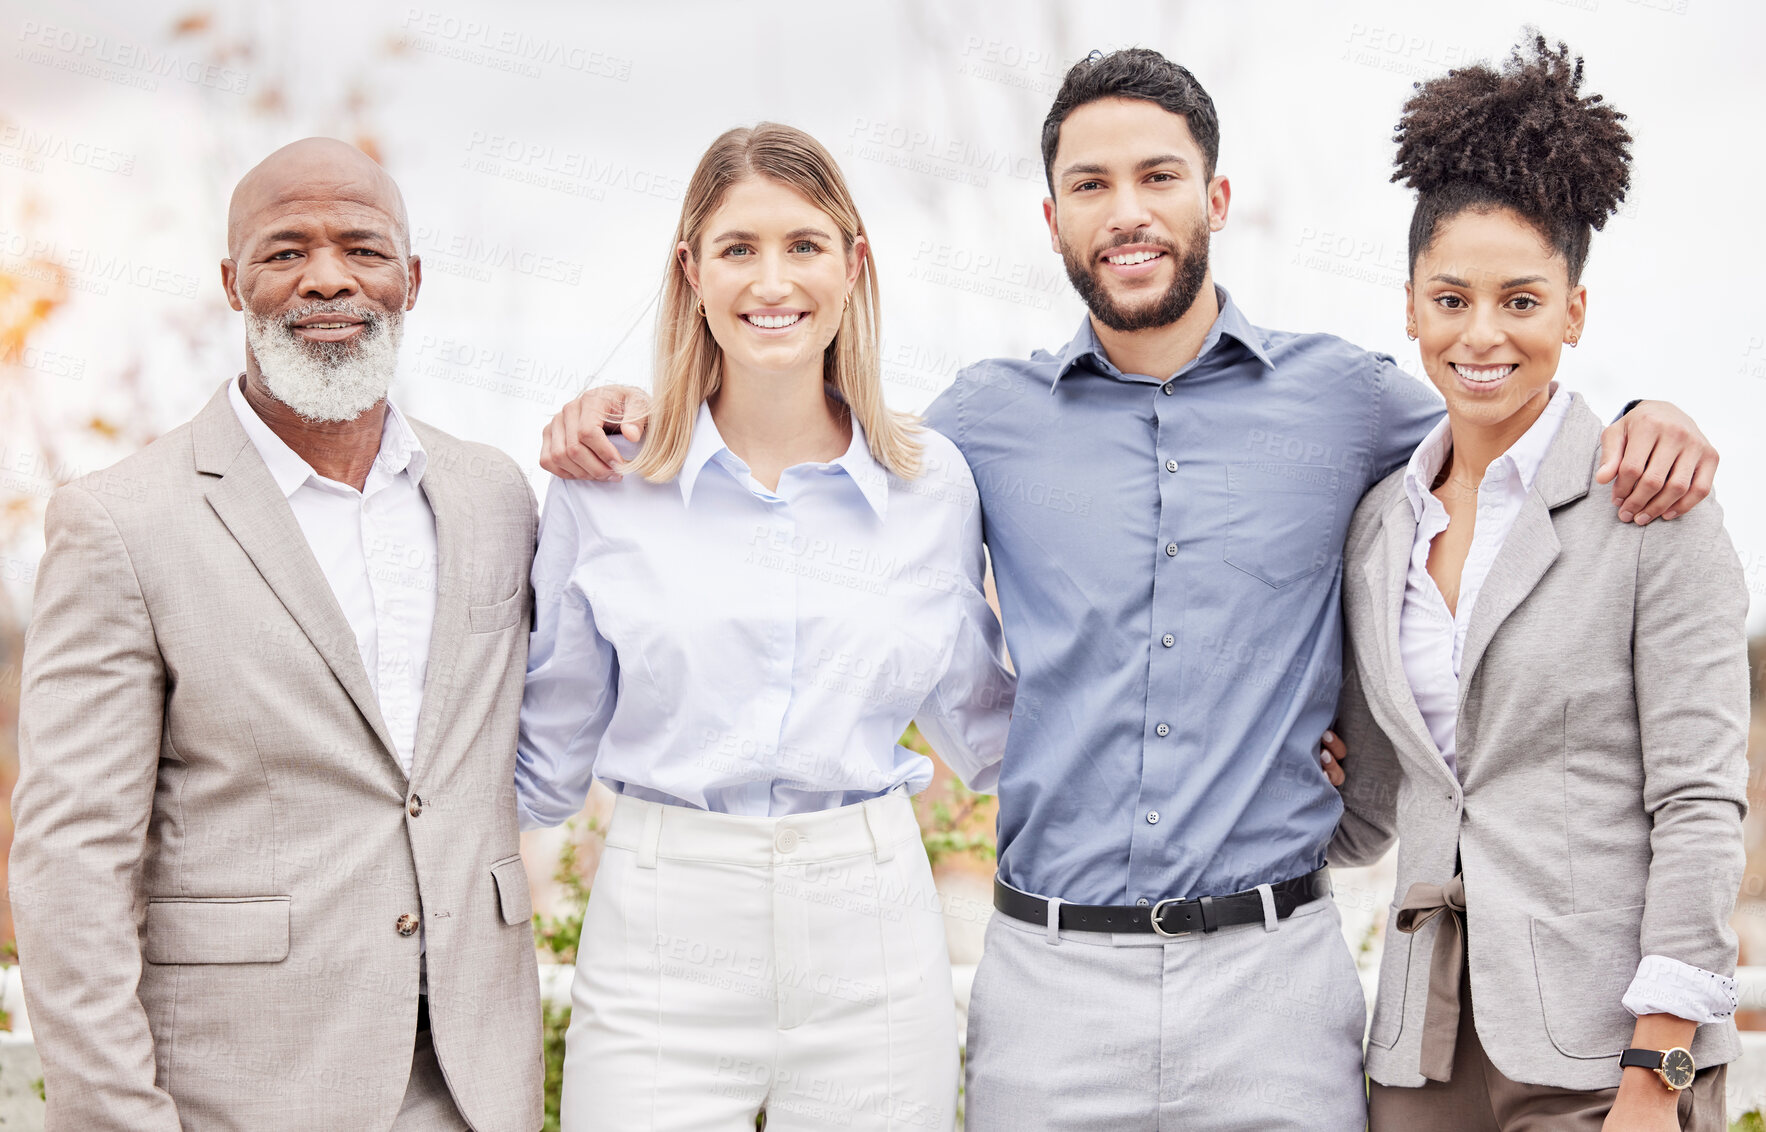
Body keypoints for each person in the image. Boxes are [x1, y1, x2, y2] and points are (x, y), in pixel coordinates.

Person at [538, 50, 1720, 1130]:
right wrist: (638, 415)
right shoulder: (971, 434)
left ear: (1212, 199)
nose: (1126, 210)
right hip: (1048, 986)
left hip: (1275, 983)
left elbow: (1507, 410)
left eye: (1157, 175)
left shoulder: (1345, 401)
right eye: (1090, 184)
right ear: (1052, 219)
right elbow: (797, 461)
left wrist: (1640, 416)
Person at [9, 138, 543, 1131]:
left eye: (363, 248)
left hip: (476, 1082)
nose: (327, 277)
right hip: (241, 1092)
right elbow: (71, 864)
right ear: (232, 281)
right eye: (285, 249)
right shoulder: (121, 522)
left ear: (412, 280)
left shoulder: (494, 494)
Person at [514, 122, 1014, 1132]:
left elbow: (994, 732)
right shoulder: (603, 486)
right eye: (738, 247)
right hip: (662, 930)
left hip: (870, 928)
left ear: (851, 263)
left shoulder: (931, 487)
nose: (770, 279)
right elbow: (539, 763)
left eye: (803, 245)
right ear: (690, 271)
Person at [1328, 37, 1747, 1132]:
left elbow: (1699, 803)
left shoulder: (1651, 505)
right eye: (1450, 297)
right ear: (1410, 307)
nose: (1480, 334)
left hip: (1601, 1058)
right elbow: (1375, 811)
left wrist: (1656, 1072)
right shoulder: (1377, 528)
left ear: (1571, 312)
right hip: (1419, 1058)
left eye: (1519, 300)